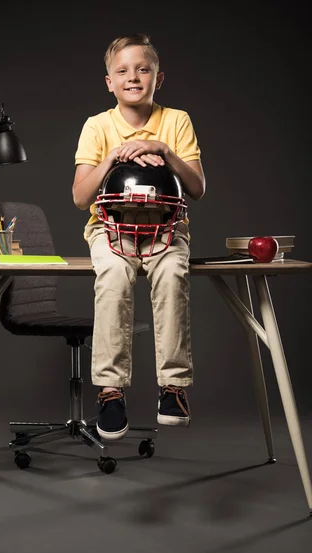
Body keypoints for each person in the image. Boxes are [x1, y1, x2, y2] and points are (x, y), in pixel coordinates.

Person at [72, 33, 206, 441]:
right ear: (109, 82)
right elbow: (81, 198)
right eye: (122, 71)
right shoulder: (97, 126)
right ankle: (110, 390)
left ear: (158, 78)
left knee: (172, 273)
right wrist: (115, 155)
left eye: (143, 69)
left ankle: (174, 386)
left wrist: (163, 150)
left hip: (165, 227)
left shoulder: (176, 120)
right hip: (111, 228)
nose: (133, 77)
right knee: (112, 275)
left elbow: (197, 188)